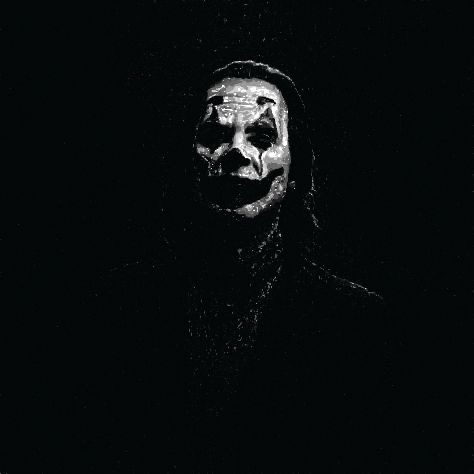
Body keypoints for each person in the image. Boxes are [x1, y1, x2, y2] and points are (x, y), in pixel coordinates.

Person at [18, 61, 397, 472]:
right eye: (215, 135)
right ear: (186, 162)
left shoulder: (354, 323)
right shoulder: (112, 308)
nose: (235, 152)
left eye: (262, 136)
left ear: (294, 168)